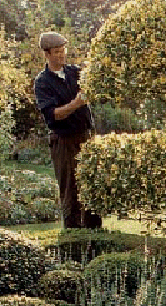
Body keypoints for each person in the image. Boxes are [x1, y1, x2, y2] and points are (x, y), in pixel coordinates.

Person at [34, 31, 101, 229]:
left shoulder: (75, 72)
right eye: (57, 52)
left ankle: (96, 234)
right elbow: (53, 114)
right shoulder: (43, 82)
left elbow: (93, 84)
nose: (62, 55)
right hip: (63, 141)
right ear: (46, 54)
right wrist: (76, 103)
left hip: (86, 136)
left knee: (92, 185)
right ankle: (72, 239)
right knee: (70, 190)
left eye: (63, 51)